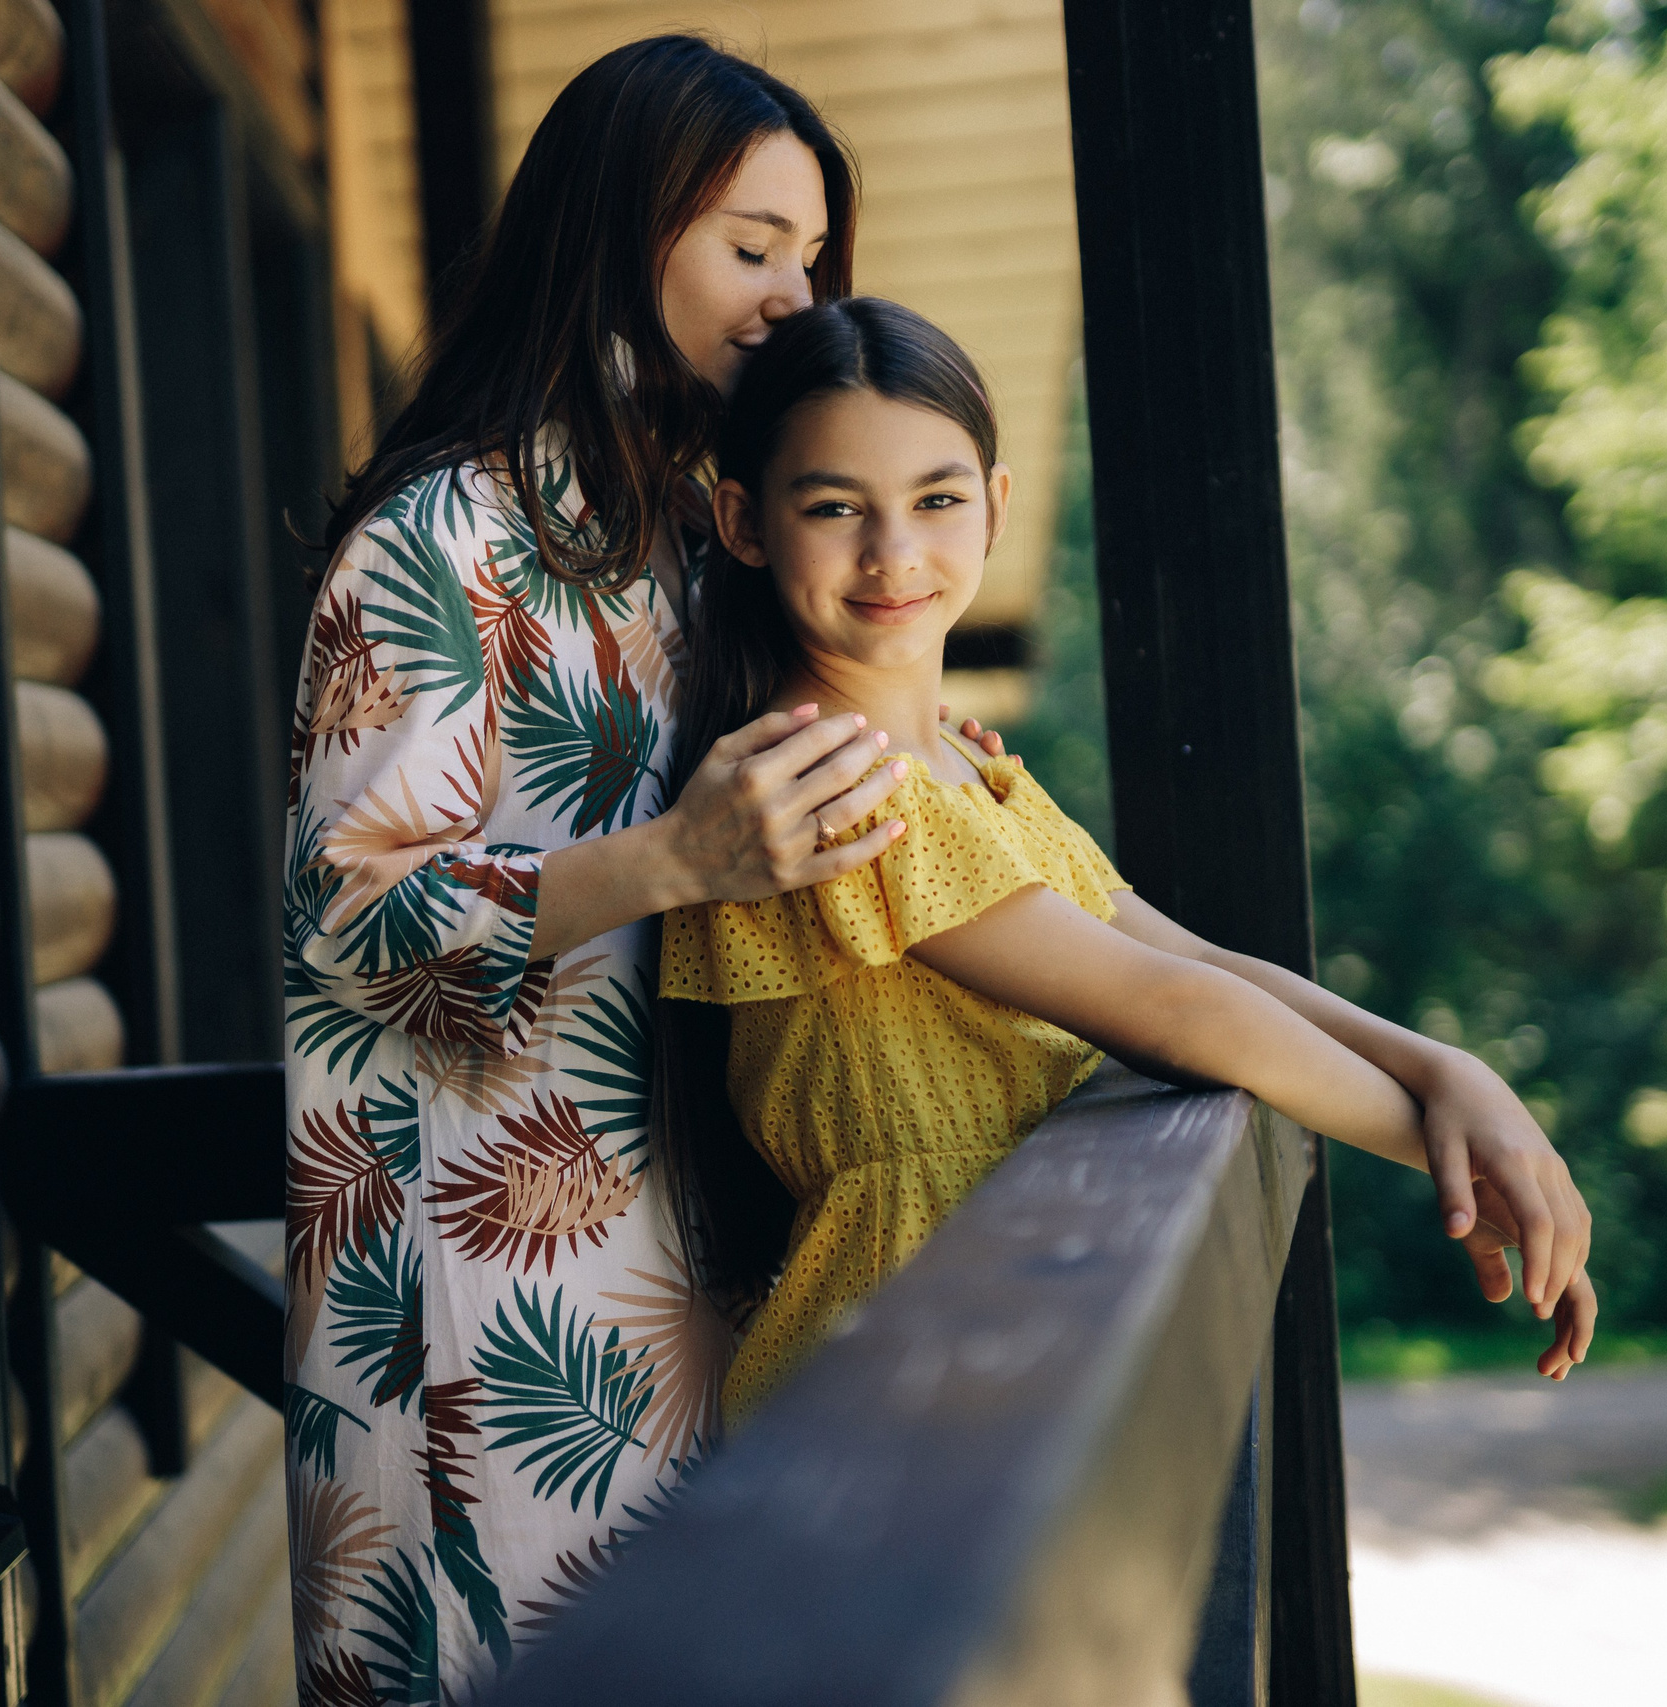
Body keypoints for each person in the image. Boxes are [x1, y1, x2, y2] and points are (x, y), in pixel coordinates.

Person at [280, 35, 1004, 1697]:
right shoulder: (442, 534)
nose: (793, 294)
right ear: (621, 230)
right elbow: (351, 913)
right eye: (754, 246)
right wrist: (675, 856)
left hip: (692, 1246)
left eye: (811, 254)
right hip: (481, 1282)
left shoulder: (694, 533)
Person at [656, 297, 1601, 1424]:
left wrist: (1451, 1073)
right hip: (902, 1351)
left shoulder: (965, 765)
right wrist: (1463, 1160)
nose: (893, 552)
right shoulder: (824, 791)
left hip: (1006, 1315)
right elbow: (1175, 1009)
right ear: (745, 522)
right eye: (833, 507)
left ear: (996, 507)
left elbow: (1199, 961)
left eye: (937, 499)